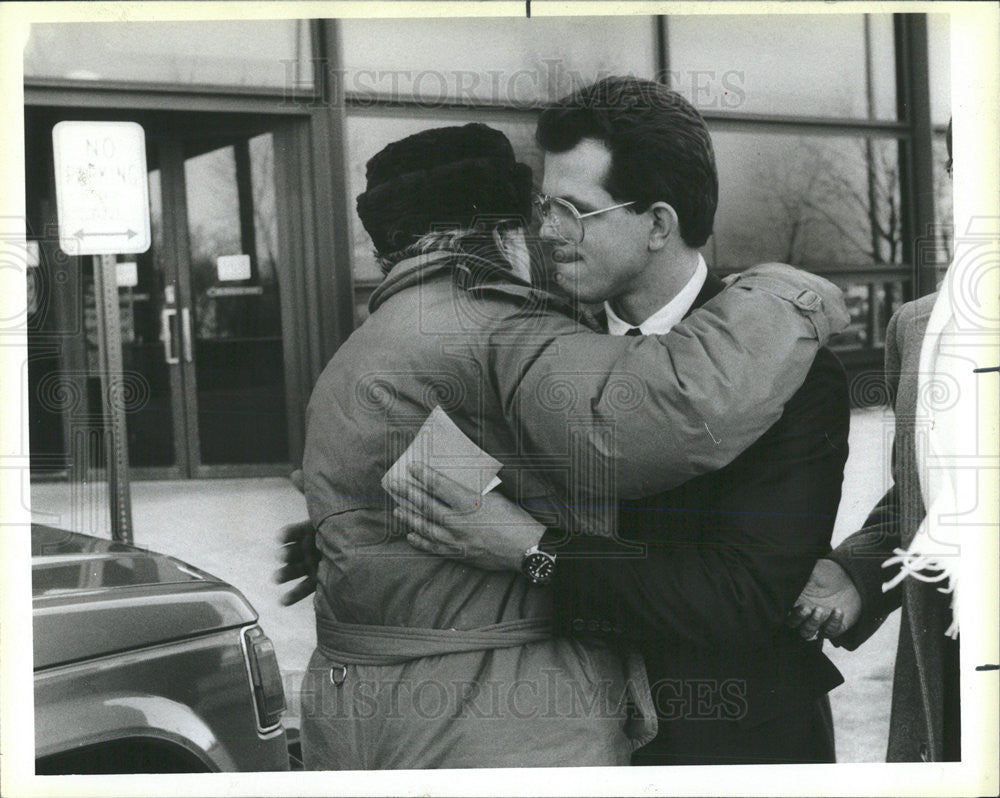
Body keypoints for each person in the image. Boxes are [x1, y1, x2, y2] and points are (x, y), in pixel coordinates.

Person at [291, 117, 848, 769]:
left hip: (723, 741)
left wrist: (519, 547)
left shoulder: (794, 371)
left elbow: (737, 600)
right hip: (517, 728)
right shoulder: (519, 337)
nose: (549, 232)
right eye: (541, 212)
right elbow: (684, 402)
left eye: (573, 210)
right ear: (502, 233)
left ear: (659, 224)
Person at [787, 119, 963, 762]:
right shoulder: (920, 328)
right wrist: (856, 570)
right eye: (964, 171)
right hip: (956, 677)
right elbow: (921, 496)